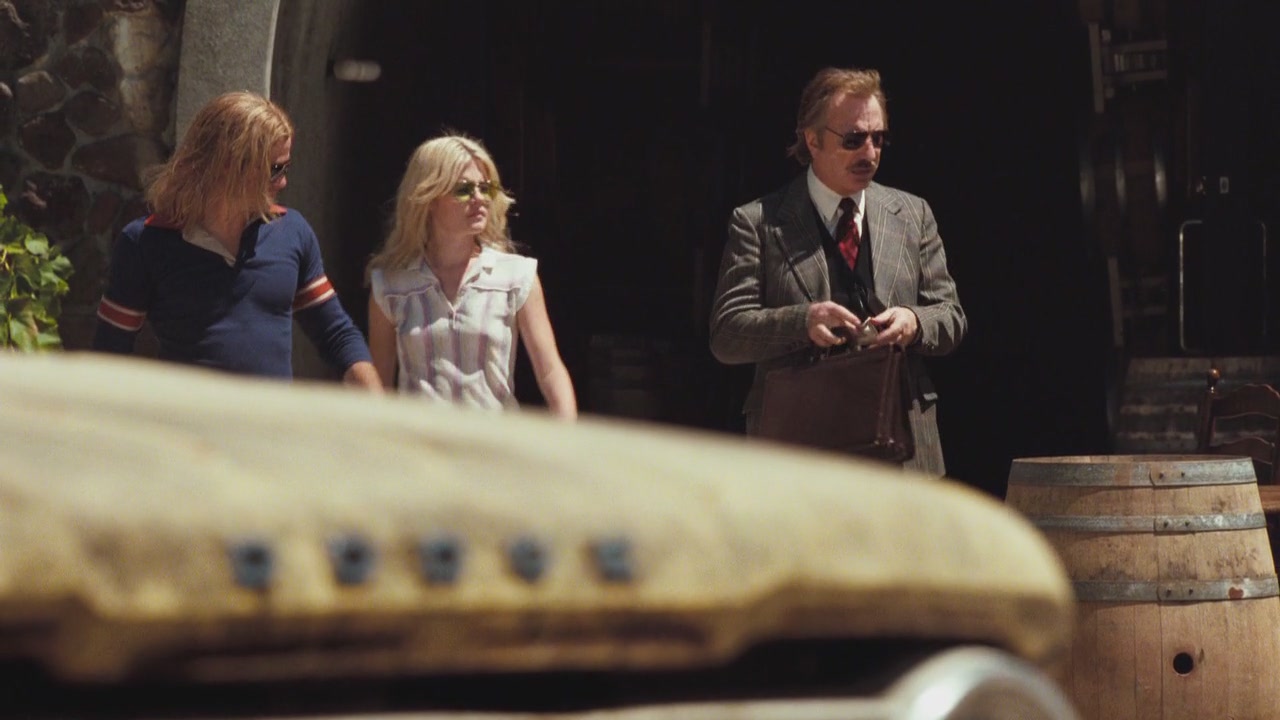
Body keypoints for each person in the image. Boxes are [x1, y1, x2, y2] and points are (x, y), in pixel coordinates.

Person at [709, 67, 966, 475]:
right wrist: (803, 322)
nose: (870, 153)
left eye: (878, 138)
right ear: (812, 140)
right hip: (799, 451)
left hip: (901, 448)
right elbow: (727, 335)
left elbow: (950, 316)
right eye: (853, 140)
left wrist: (914, 321)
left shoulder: (912, 214)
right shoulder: (759, 222)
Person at [93, 92, 382, 389]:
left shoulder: (292, 231)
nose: (283, 182)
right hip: (187, 419)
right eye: (275, 169)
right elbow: (110, 354)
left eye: (286, 168)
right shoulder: (146, 242)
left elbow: (336, 334)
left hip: (272, 419)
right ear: (227, 165)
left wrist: (373, 396)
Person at [365, 133, 577, 419]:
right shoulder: (390, 287)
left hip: (493, 442)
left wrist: (566, 430)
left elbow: (550, 370)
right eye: (464, 190)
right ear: (430, 198)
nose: (479, 199)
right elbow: (379, 385)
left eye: (486, 188)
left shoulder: (516, 276)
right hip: (421, 443)